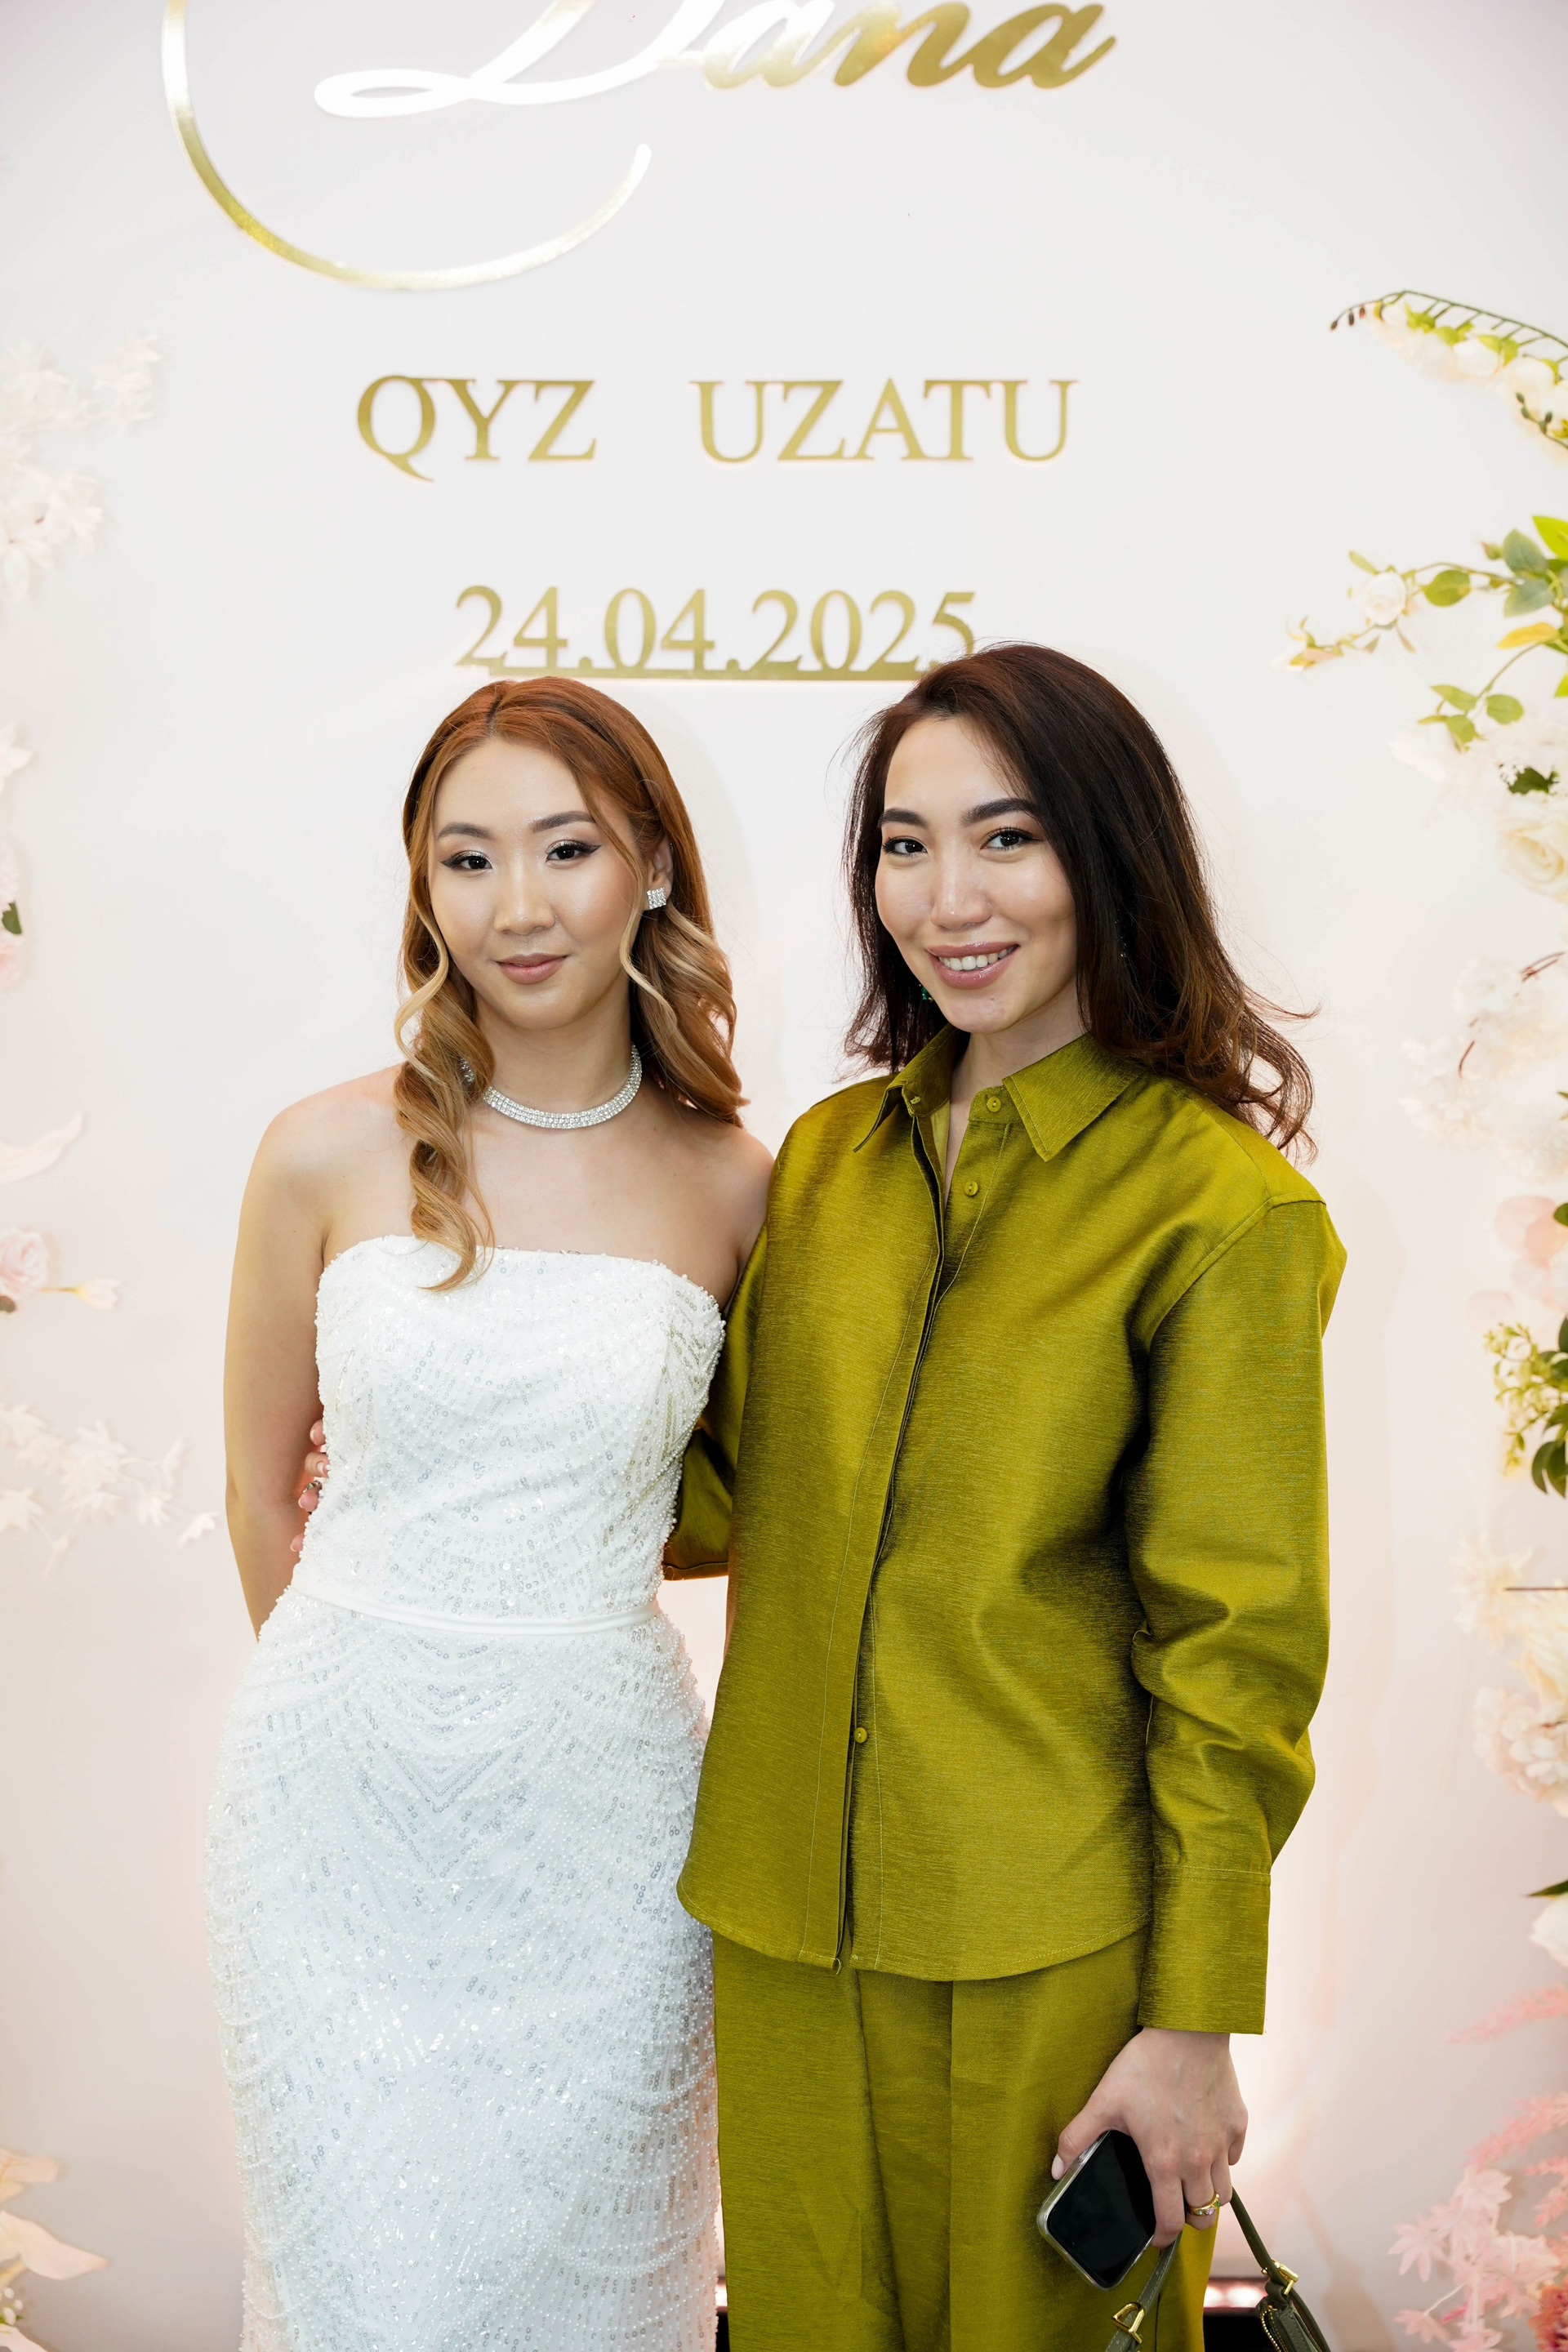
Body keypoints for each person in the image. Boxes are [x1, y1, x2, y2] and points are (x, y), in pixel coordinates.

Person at [666, 644, 1345, 2351]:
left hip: (1052, 1945)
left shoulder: (1219, 1211)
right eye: (905, 845)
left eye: (1007, 837)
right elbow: (723, 1493)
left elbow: (1238, 1653)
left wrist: (1194, 2024)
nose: (948, 899)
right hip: (781, 1924)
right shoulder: (826, 1164)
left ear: (1108, 854)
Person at [210, 676, 771, 2352]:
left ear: (652, 866)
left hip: (609, 1832)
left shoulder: (739, 1185)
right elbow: (258, 1489)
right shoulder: (320, 1153)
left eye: (565, 849)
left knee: (591, 2284)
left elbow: (757, 1510)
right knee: (362, 2288)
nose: (517, 905)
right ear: (425, 890)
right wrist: (378, 1700)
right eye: (468, 859)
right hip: (335, 1822)